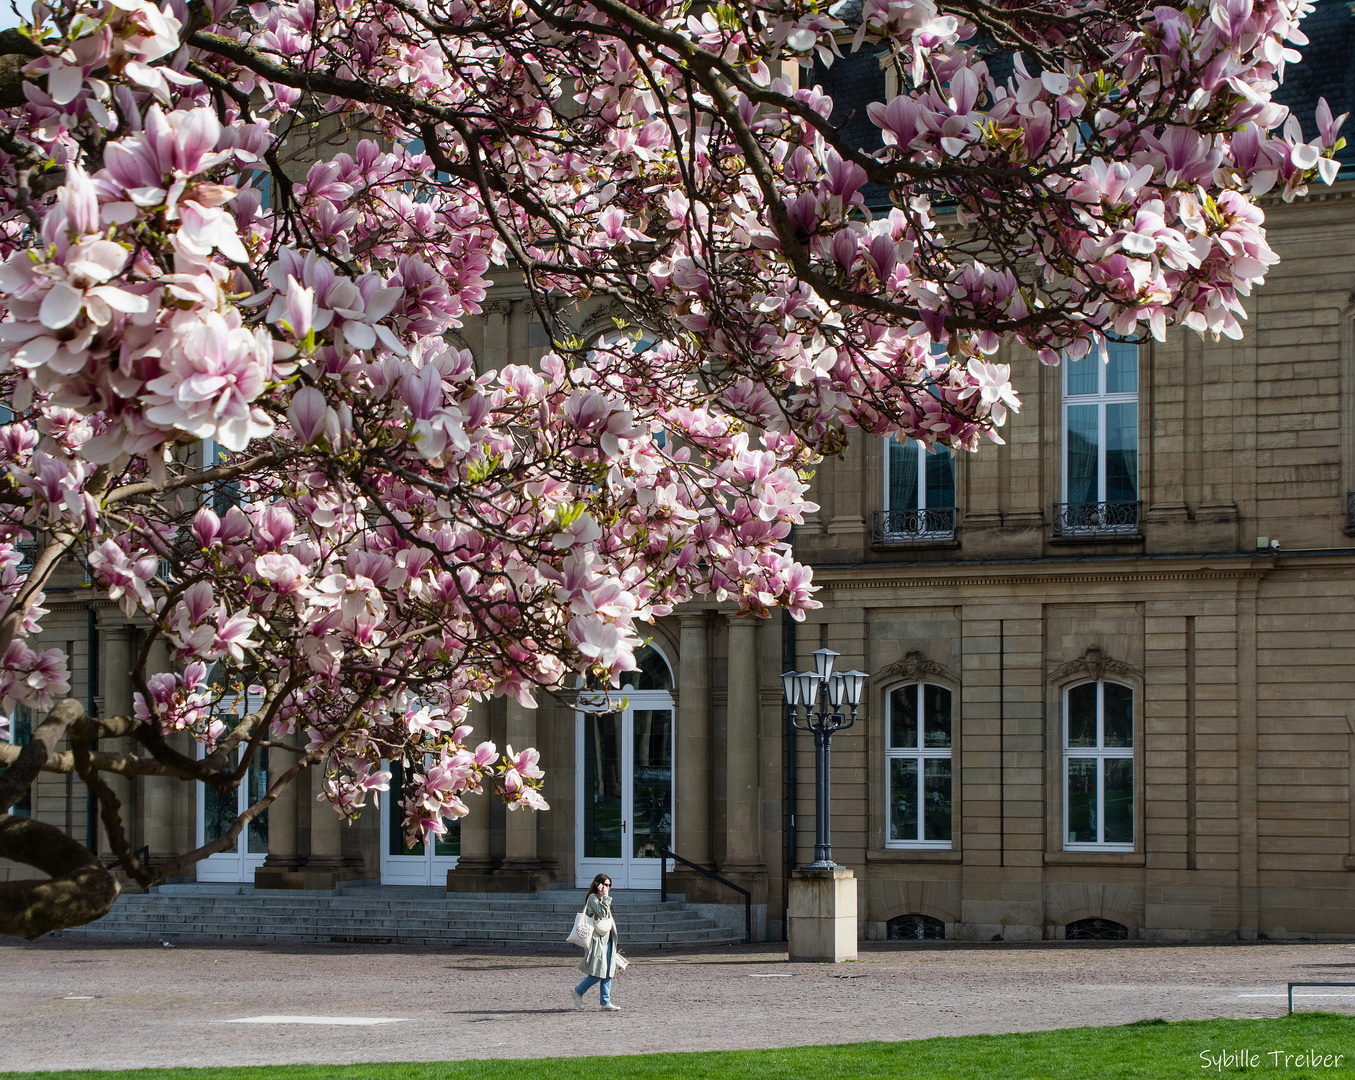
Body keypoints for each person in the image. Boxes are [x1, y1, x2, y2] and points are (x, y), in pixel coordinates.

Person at [572, 873, 623, 1011]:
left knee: (608, 971)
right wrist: (606, 897)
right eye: (605, 885)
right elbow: (602, 913)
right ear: (598, 885)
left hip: (607, 939)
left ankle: (605, 1002)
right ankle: (578, 991)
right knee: (598, 973)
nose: (608, 888)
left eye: (609, 885)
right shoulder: (593, 898)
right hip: (596, 940)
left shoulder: (601, 899)